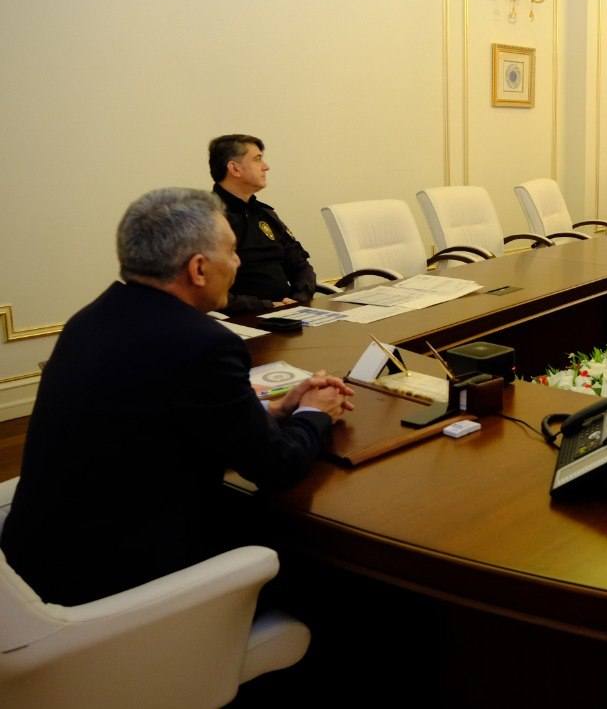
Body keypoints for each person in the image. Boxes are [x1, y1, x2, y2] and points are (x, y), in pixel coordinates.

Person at [1, 188, 354, 605]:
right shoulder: (204, 344)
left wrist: (274, 410)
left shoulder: (90, 319)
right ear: (198, 269)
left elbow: (164, 420)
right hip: (119, 587)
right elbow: (277, 467)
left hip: (39, 563)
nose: (238, 263)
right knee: (330, 569)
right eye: (232, 252)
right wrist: (314, 413)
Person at [210, 134, 317, 313]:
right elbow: (208, 292)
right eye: (257, 159)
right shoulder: (209, 219)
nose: (266, 167)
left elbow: (300, 265)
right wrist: (266, 306)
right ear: (234, 169)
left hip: (288, 312)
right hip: (242, 319)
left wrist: (299, 298)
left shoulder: (264, 214)